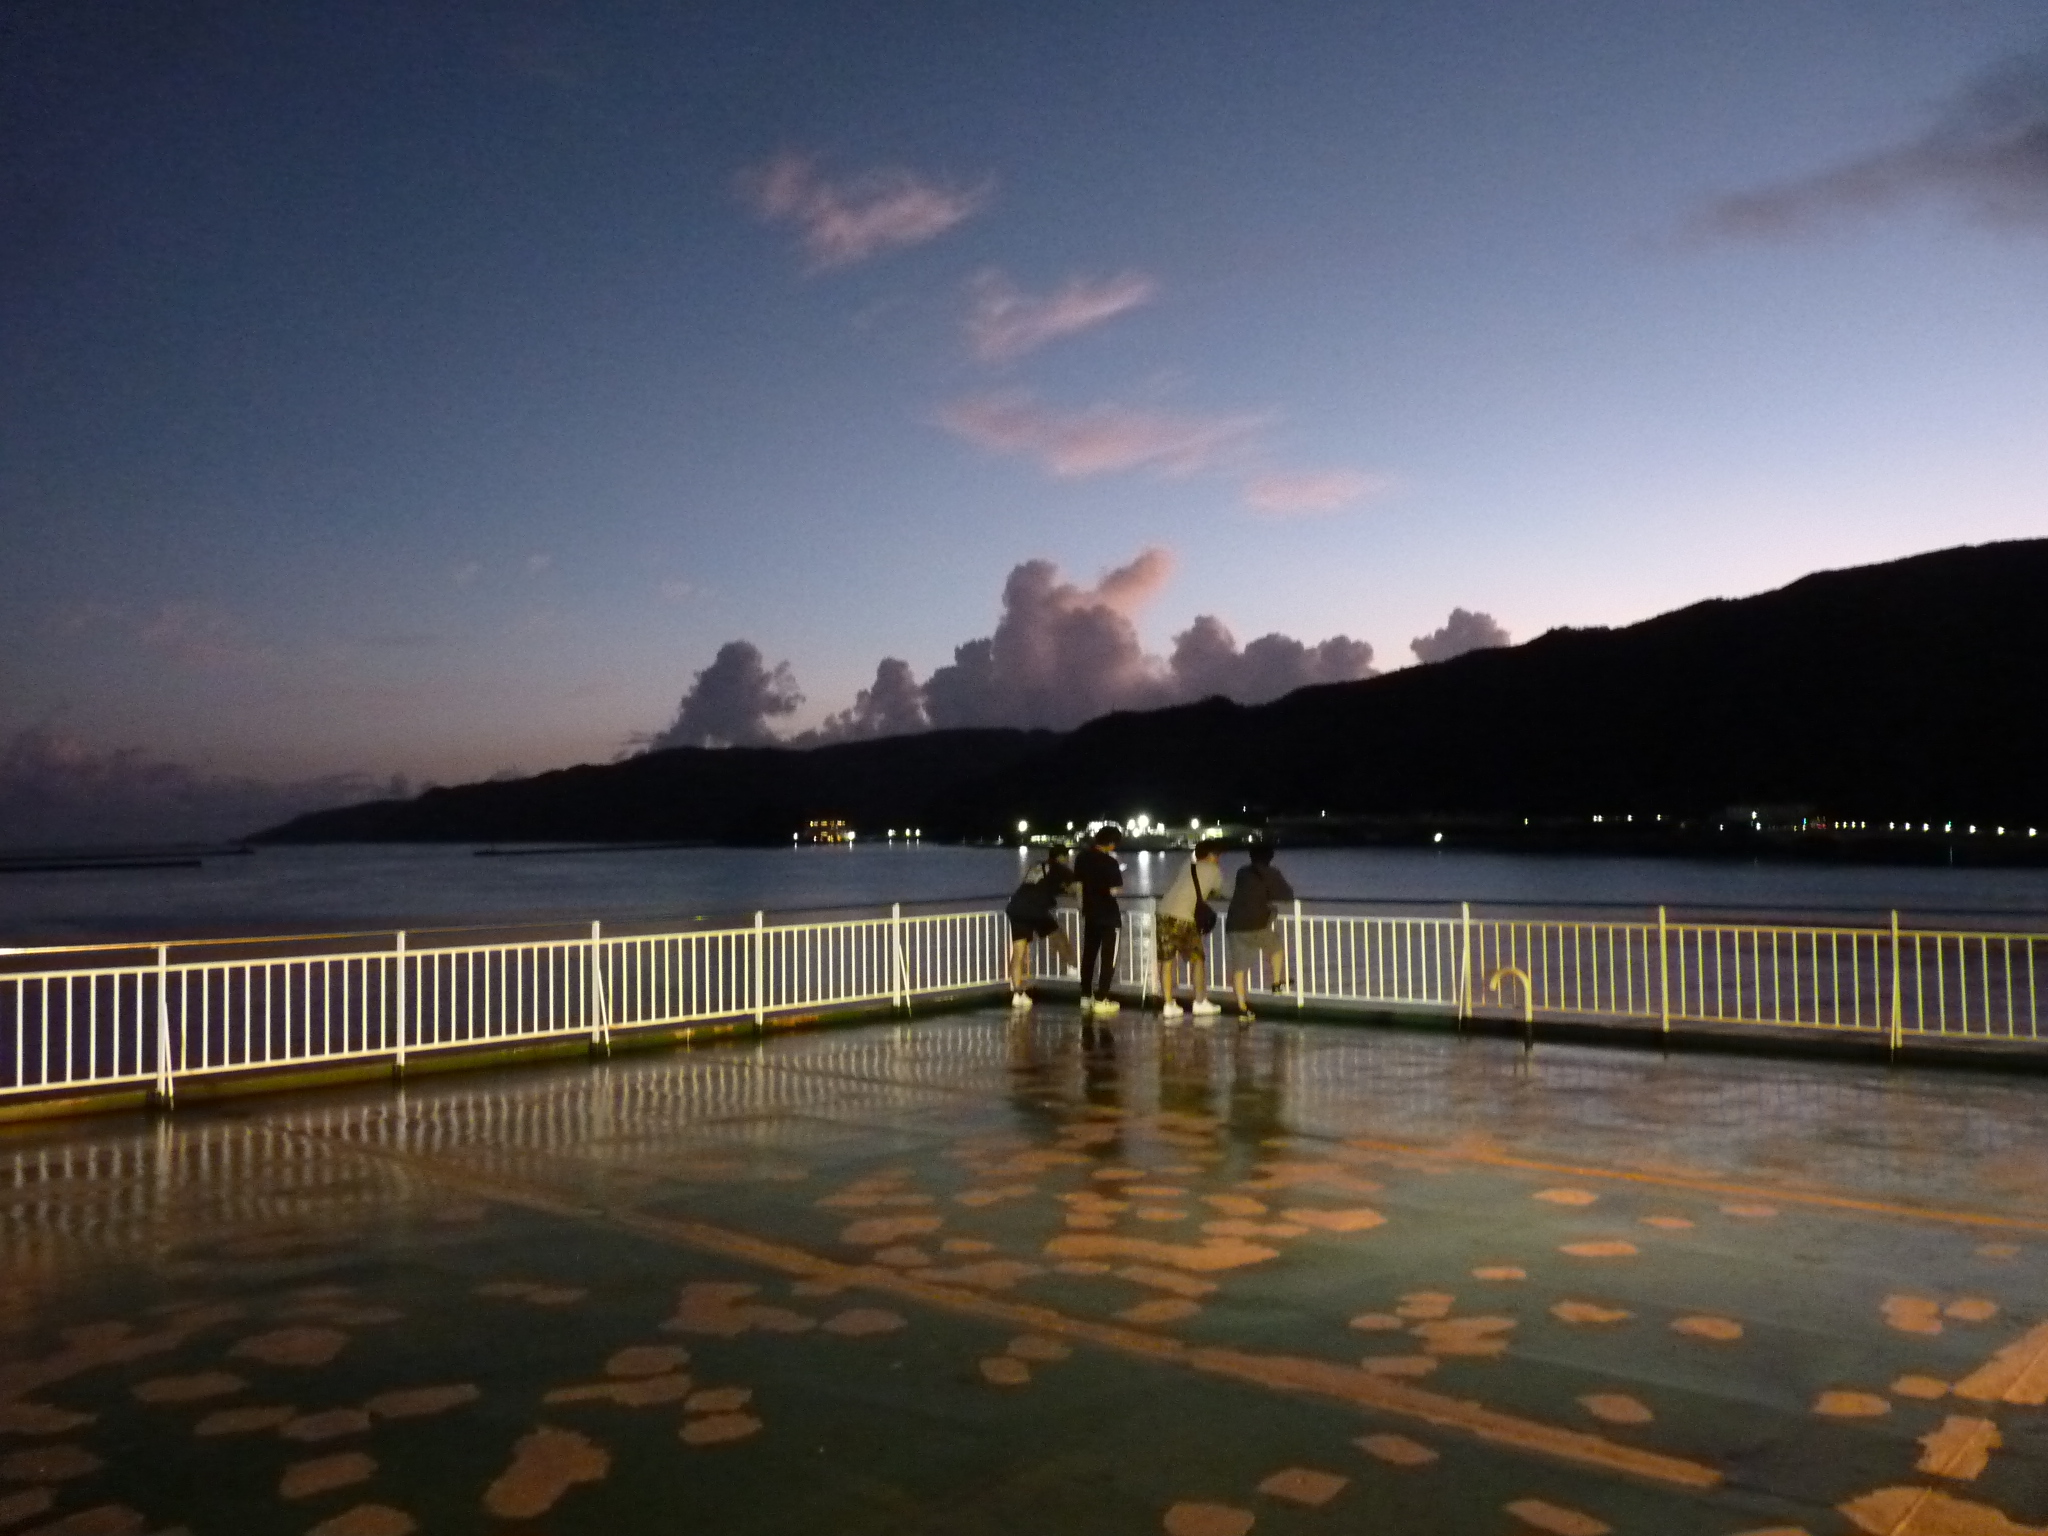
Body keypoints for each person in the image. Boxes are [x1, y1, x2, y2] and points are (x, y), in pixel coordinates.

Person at [1156, 839, 1226, 1020]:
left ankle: (1168, 1004)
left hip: (1164, 913)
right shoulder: (1213, 870)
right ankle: (1200, 1002)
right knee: (1197, 959)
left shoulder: (1188, 865)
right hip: (1184, 917)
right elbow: (1218, 891)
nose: (1219, 859)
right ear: (1211, 855)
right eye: (1217, 855)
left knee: (1167, 960)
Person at [1227, 840, 1295, 1021]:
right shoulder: (1272, 873)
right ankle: (1276, 983)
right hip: (1256, 925)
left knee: (1239, 969)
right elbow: (1287, 895)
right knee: (1276, 946)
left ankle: (1243, 1008)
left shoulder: (1242, 872)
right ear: (1270, 857)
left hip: (1234, 924)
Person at [1004, 847, 1076, 1007]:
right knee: (1058, 935)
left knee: (1018, 952)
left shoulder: (1038, 865)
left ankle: (1017, 994)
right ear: (1062, 857)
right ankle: (1072, 967)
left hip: (1016, 906)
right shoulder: (1060, 869)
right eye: (1066, 858)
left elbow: (1042, 885)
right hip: (1035, 909)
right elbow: (1076, 887)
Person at [1073, 824, 1125, 1016]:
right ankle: (1102, 998)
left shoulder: (1082, 858)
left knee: (1089, 955)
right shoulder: (1110, 862)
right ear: (1111, 843)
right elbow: (1116, 890)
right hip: (1109, 915)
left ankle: (1086, 996)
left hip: (1090, 913)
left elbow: (1078, 886)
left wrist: (1082, 907)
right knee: (1108, 958)